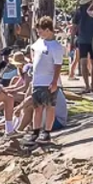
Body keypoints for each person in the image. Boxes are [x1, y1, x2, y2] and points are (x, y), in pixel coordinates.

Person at [26, 16, 65, 147]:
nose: (39, 33)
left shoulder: (56, 46)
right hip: (37, 81)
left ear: (48, 30)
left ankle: (47, 131)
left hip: (49, 81)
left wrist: (54, 82)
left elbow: (58, 65)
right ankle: (35, 131)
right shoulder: (38, 42)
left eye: (41, 31)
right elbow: (32, 50)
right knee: (37, 107)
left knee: (49, 107)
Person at [72, 0, 93, 91]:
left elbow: (74, 28)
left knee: (84, 62)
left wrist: (72, 40)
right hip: (91, 39)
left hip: (83, 40)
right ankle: (92, 83)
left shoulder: (79, 12)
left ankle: (88, 84)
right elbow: (74, 27)